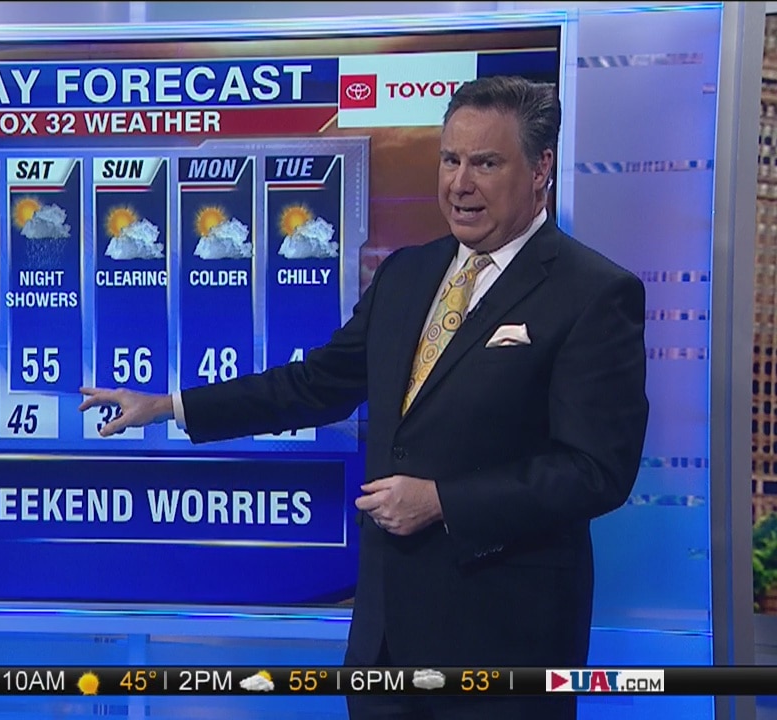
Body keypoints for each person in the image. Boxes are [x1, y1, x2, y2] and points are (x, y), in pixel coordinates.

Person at [79, 76, 648, 719]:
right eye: (450, 160)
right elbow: (319, 383)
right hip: (384, 645)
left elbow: (595, 470)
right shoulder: (409, 273)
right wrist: (172, 406)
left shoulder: (592, 293)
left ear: (541, 168)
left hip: (502, 645)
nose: (460, 184)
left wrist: (442, 501)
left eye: (486, 164)